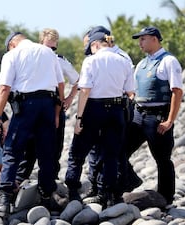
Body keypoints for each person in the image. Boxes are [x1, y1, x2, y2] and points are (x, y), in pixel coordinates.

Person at [0, 31, 64, 218]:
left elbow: (4, 88)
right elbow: (61, 84)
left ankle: (4, 201)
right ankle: (47, 198)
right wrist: (57, 114)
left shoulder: (11, 55)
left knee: (12, 151)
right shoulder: (47, 52)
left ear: (12, 44)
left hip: (26, 106)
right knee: (46, 154)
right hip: (47, 105)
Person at [64, 31, 134, 209]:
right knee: (111, 155)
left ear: (95, 45)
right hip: (117, 109)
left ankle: (73, 192)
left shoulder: (91, 61)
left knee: (77, 153)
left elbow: (85, 90)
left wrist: (79, 117)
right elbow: (130, 90)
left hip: (94, 109)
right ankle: (107, 195)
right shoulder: (124, 60)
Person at [121, 26, 183, 205]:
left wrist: (170, 120)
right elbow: (133, 90)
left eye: (143, 39)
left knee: (162, 159)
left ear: (154, 39)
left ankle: (166, 197)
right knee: (120, 151)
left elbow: (177, 91)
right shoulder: (141, 63)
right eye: (139, 39)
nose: (140, 43)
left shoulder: (169, 61)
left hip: (158, 117)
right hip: (138, 115)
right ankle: (131, 181)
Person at [15, 28, 79, 184]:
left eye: (53, 48)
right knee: (29, 149)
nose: (50, 51)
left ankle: (50, 186)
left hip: (55, 105)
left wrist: (70, 98)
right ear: (40, 43)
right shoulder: (30, 58)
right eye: (47, 47)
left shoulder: (60, 60)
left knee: (54, 150)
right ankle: (19, 181)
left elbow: (77, 80)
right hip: (34, 106)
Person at [82, 25, 138, 200]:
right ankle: (101, 186)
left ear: (98, 42)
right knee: (98, 150)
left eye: (89, 45)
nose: (89, 51)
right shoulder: (119, 56)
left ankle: (111, 189)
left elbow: (128, 89)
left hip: (114, 107)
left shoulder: (120, 57)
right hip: (112, 108)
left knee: (111, 151)